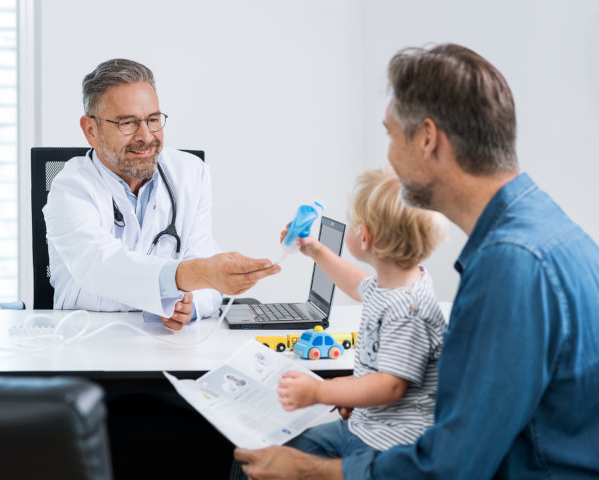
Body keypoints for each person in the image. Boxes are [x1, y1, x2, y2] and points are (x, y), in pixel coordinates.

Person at [234, 43, 599, 479]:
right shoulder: (546, 229)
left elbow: (449, 467)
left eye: (390, 134)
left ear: (427, 138)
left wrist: (312, 471)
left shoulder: (510, 266)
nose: (388, 154)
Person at [43, 59, 280, 330]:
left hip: (169, 343)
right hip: (86, 341)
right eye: (127, 123)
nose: (146, 136)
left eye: (153, 120)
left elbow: (207, 287)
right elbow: (98, 265)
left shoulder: (191, 173)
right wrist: (192, 276)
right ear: (91, 130)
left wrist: (186, 306)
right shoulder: (71, 187)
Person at [275, 167, 447, 462]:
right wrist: (315, 250)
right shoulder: (393, 283)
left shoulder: (409, 309)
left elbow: (390, 385)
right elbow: (356, 284)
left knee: (285, 461)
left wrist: (322, 391)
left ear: (364, 236)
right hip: (364, 426)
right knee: (285, 450)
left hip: (389, 445)